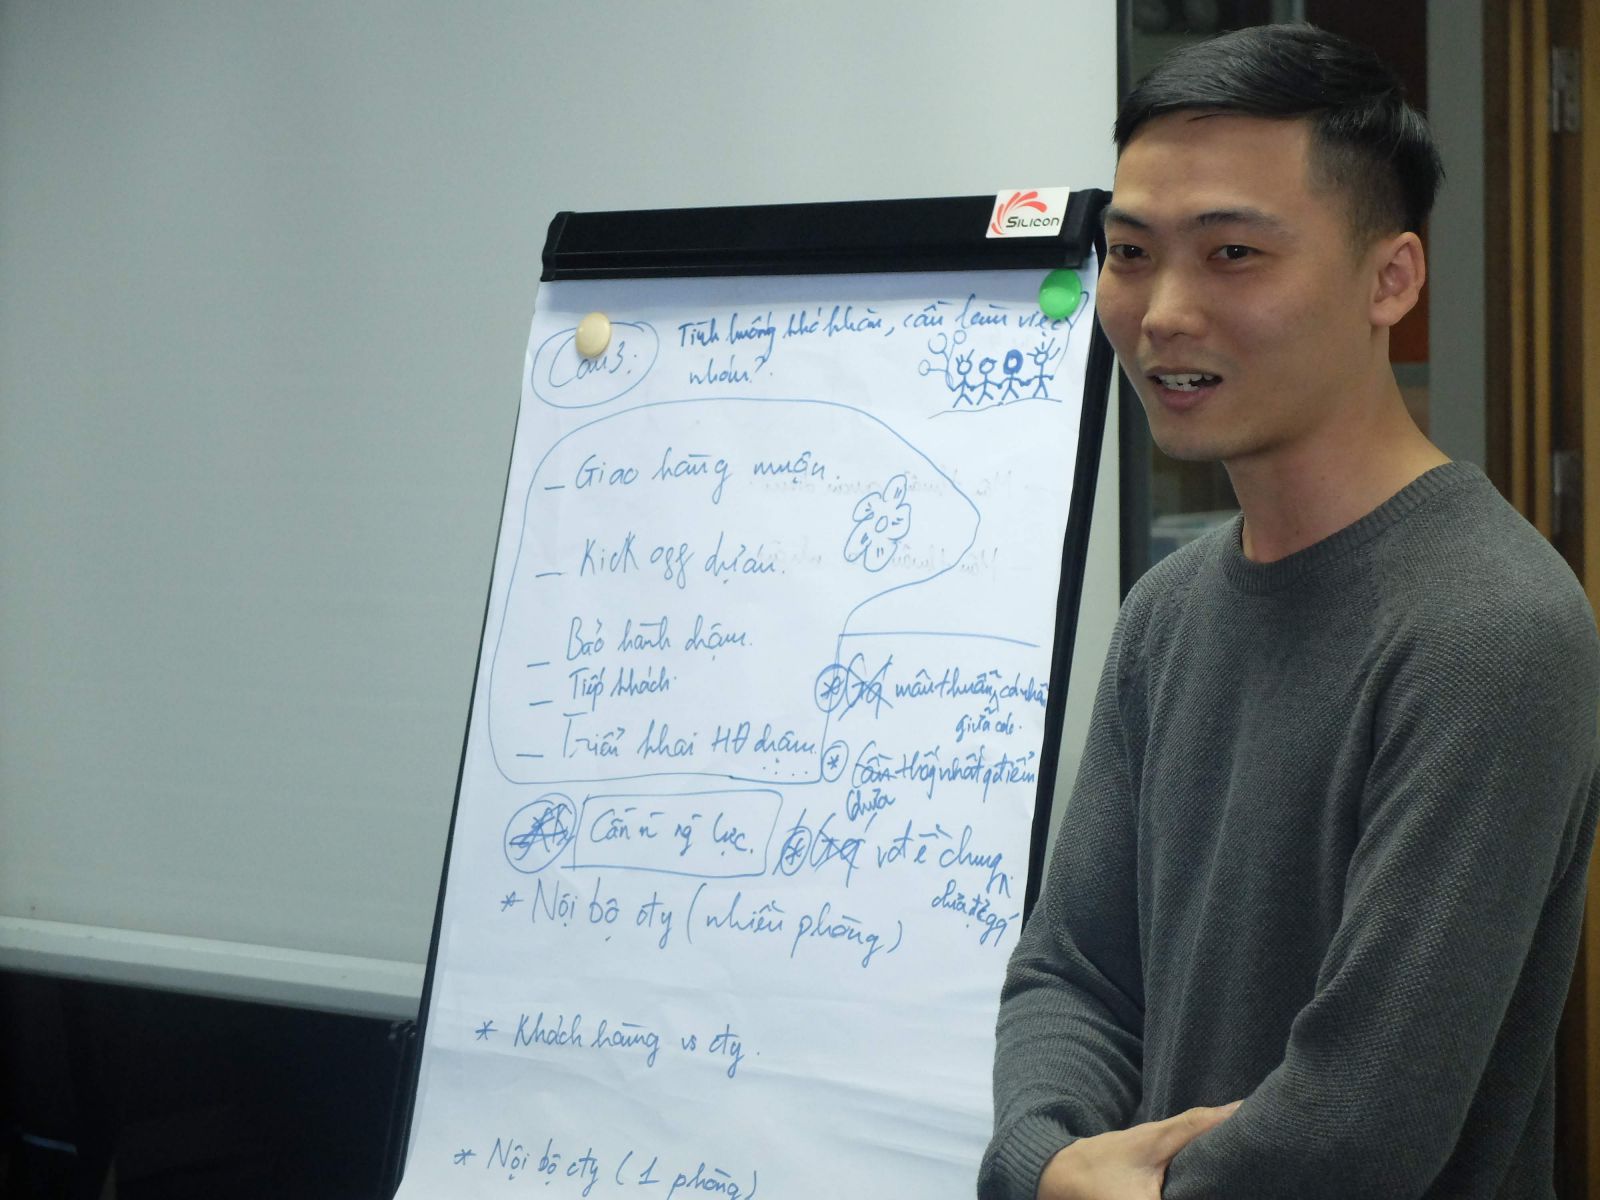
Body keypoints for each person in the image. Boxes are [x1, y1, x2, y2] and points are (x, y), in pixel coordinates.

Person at [979, 23, 1600, 1200]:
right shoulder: (1168, 613)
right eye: (1129, 253)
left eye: (1232, 254)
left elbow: (1358, 1123)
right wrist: (1048, 1159)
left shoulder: (1490, 628)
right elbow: (1071, 975)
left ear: (1390, 279)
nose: (1162, 311)